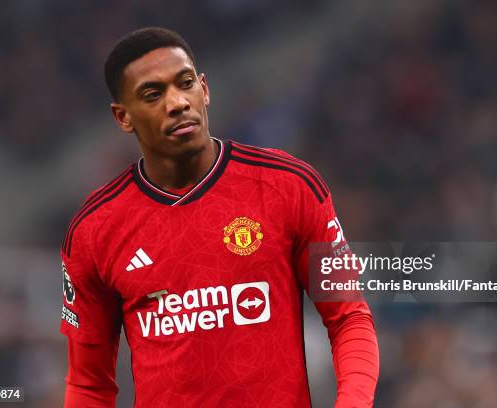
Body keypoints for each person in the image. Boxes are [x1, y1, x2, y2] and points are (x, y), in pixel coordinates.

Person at [60, 27, 379, 407]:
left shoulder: (288, 187)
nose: (177, 103)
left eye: (185, 83)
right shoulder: (95, 231)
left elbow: (349, 319)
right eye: (153, 94)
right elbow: (88, 385)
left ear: (205, 90)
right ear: (122, 117)